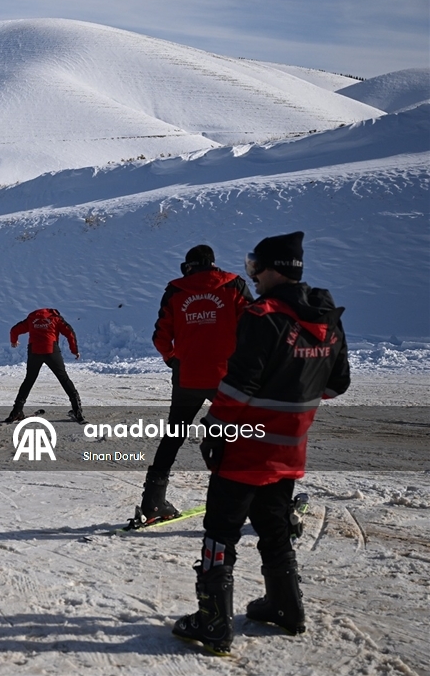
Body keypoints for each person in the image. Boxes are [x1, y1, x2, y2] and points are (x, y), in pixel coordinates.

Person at [172, 232, 350, 655]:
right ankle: (285, 606)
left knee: (220, 531)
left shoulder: (263, 315)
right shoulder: (326, 317)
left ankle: (213, 621)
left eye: (256, 266)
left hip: (247, 446)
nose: (252, 275)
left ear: (275, 270)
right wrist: (293, 395)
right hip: (290, 447)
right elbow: (336, 384)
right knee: (274, 526)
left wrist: (215, 429)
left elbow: (238, 387)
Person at [135, 245, 253, 526]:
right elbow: (253, 327)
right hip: (226, 376)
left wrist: (173, 359)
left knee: (174, 435)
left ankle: (153, 501)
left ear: (189, 266)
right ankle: (249, 498)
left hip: (187, 376)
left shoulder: (176, 291)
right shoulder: (233, 285)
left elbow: (161, 336)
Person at [5, 308, 83, 423]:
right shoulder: (55, 318)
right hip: (51, 350)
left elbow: (14, 330)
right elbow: (69, 333)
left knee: (29, 380)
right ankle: (77, 411)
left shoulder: (32, 319)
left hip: (34, 351)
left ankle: (16, 411)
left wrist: (13, 341)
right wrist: (74, 350)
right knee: (64, 379)